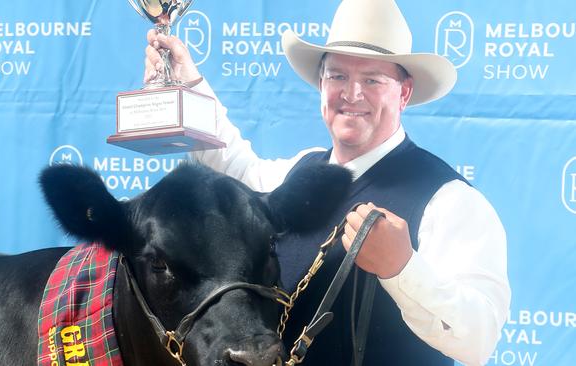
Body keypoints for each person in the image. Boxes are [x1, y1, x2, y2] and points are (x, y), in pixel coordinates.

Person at [144, 0, 511, 365]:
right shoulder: (299, 172)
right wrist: (186, 85)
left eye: (372, 79)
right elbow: (235, 167)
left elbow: (478, 340)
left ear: (404, 92)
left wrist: (402, 268)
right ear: (321, 84)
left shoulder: (449, 200)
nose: (352, 94)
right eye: (338, 76)